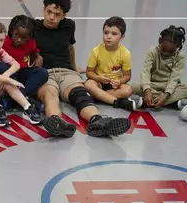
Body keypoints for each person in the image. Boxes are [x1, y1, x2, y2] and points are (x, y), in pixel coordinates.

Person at [33, 0, 132, 138]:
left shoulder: (68, 26)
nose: (51, 17)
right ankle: (57, 122)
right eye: (49, 12)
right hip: (45, 73)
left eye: (57, 14)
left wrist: (74, 68)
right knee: (50, 95)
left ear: (63, 15)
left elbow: (70, 47)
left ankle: (98, 121)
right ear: (43, 9)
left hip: (66, 71)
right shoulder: (33, 27)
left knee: (80, 95)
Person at [131, 26, 187, 110]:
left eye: (171, 52)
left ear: (178, 47)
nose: (166, 53)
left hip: (168, 86)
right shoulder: (152, 51)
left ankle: (148, 102)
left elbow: (174, 78)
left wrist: (166, 95)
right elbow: (145, 72)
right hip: (152, 84)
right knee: (134, 86)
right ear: (159, 41)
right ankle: (170, 102)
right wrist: (147, 90)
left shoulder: (180, 56)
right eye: (164, 49)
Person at [84, 16, 139, 112]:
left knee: (128, 90)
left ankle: (97, 96)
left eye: (114, 34)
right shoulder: (96, 51)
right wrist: (99, 78)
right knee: (89, 84)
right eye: (106, 33)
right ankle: (116, 101)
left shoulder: (125, 53)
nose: (108, 36)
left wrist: (120, 81)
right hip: (99, 82)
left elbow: (127, 76)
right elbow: (89, 72)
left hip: (115, 85)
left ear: (122, 37)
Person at [0, 14, 49, 108]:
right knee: (1, 66)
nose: (19, 40)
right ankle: (22, 99)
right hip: (9, 74)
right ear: (12, 31)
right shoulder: (4, 41)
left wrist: (36, 60)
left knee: (43, 72)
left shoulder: (31, 43)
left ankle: (15, 98)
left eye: (24, 37)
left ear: (30, 36)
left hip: (23, 73)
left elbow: (35, 55)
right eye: (16, 35)